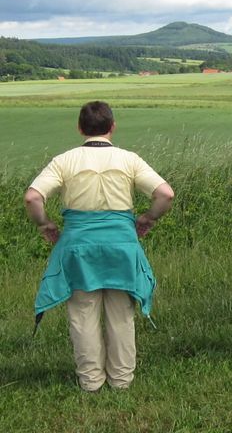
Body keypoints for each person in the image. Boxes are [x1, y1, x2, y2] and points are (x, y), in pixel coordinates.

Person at [24, 101, 174, 391]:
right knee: (121, 314)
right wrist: (148, 218)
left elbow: (32, 198)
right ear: (112, 127)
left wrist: (46, 225)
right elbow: (165, 194)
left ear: (80, 128)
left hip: (79, 247)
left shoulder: (64, 160)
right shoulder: (129, 159)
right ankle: (121, 381)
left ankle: (91, 382)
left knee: (83, 314)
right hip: (121, 245)